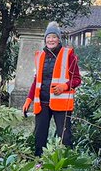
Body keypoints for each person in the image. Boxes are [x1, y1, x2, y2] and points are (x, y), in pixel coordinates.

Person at [23, 21, 81, 156]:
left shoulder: (68, 55)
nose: (51, 40)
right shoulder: (40, 56)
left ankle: (67, 163)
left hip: (61, 104)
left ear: (59, 39)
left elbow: (77, 79)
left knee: (64, 136)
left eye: (54, 37)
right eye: (48, 37)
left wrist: (64, 86)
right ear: (45, 39)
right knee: (39, 136)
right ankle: (38, 163)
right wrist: (28, 99)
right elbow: (37, 80)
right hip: (42, 103)